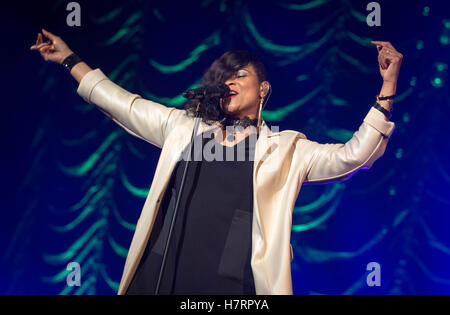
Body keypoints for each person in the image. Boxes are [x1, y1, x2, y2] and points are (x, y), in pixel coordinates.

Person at [31, 29, 402, 295]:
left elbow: (355, 156)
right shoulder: (182, 128)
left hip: (230, 284)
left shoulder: (287, 149)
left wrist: (387, 88)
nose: (229, 82)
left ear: (264, 89)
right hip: (161, 274)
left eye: (240, 75)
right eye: (223, 77)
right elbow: (121, 103)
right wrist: (68, 59)